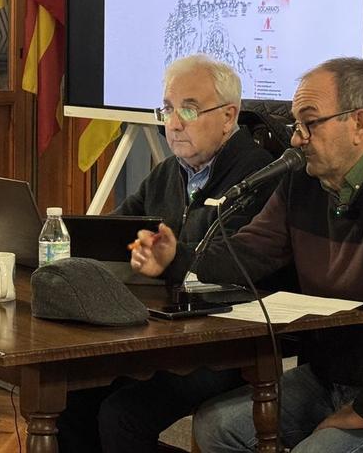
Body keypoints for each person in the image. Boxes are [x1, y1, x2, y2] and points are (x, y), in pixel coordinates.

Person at [130, 57, 363, 452]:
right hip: (332, 379)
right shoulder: (303, 180)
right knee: (216, 427)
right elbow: (247, 251)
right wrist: (176, 258)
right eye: (295, 125)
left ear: (359, 123)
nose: (297, 139)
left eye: (309, 123)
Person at [56, 54, 276, 452]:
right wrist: (56, 241)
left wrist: (172, 257)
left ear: (229, 117)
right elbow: (114, 234)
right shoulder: (169, 172)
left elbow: (232, 263)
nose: (173, 124)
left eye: (188, 110)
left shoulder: (256, 175)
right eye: (168, 109)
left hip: (224, 346)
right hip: (161, 334)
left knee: (121, 416)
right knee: (70, 399)